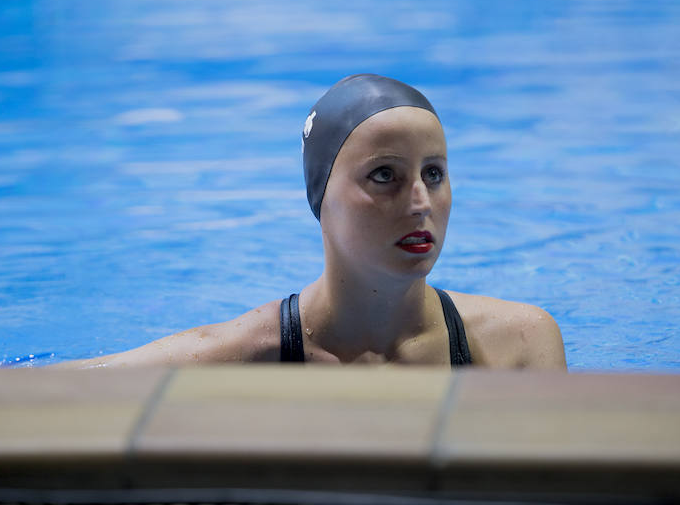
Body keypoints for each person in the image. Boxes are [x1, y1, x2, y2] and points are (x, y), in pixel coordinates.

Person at [57, 74, 566, 369]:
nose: (419, 202)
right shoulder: (238, 358)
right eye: (384, 174)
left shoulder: (521, 344)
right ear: (321, 197)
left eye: (433, 173)